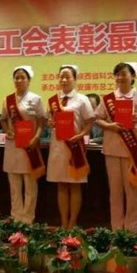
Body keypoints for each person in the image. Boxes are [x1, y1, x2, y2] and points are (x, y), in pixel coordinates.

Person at [95, 62, 137, 232]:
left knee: (132, 192)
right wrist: (110, 125)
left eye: (124, 74)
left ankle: (130, 230)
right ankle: (117, 230)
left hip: (132, 152)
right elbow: (98, 118)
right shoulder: (108, 99)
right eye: (117, 74)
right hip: (112, 149)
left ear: (133, 76)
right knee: (115, 192)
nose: (120, 77)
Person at [46, 65, 94, 228]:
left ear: (75, 79)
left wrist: (81, 135)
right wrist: (50, 122)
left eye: (68, 76)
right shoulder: (53, 100)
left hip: (74, 147)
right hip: (57, 146)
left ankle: (72, 223)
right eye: (61, 77)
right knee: (61, 184)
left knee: (74, 185)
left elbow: (89, 121)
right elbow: (51, 121)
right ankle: (63, 222)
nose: (64, 80)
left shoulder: (82, 99)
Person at [0, 65, 46, 223]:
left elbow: (41, 122)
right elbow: (3, 120)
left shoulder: (36, 99)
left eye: (22, 77)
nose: (19, 80)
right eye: (16, 77)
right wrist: (7, 131)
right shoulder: (7, 100)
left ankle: (27, 219)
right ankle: (16, 216)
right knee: (14, 185)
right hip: (13, 145)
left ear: (29, 80)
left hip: (30, 146)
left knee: (30, 184)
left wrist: (36, 138)